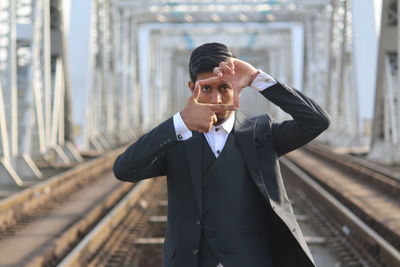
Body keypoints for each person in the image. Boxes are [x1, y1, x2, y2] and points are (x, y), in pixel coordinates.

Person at [113, 42, 330, 267]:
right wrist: (179, 123)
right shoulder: (175, 138)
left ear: (237, 87)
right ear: (191, 88)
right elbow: (124, 170)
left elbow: (316, 121)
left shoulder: (261, 134)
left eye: (224, 87)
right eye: (206, 88)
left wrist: (257, 78)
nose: (216, 99)